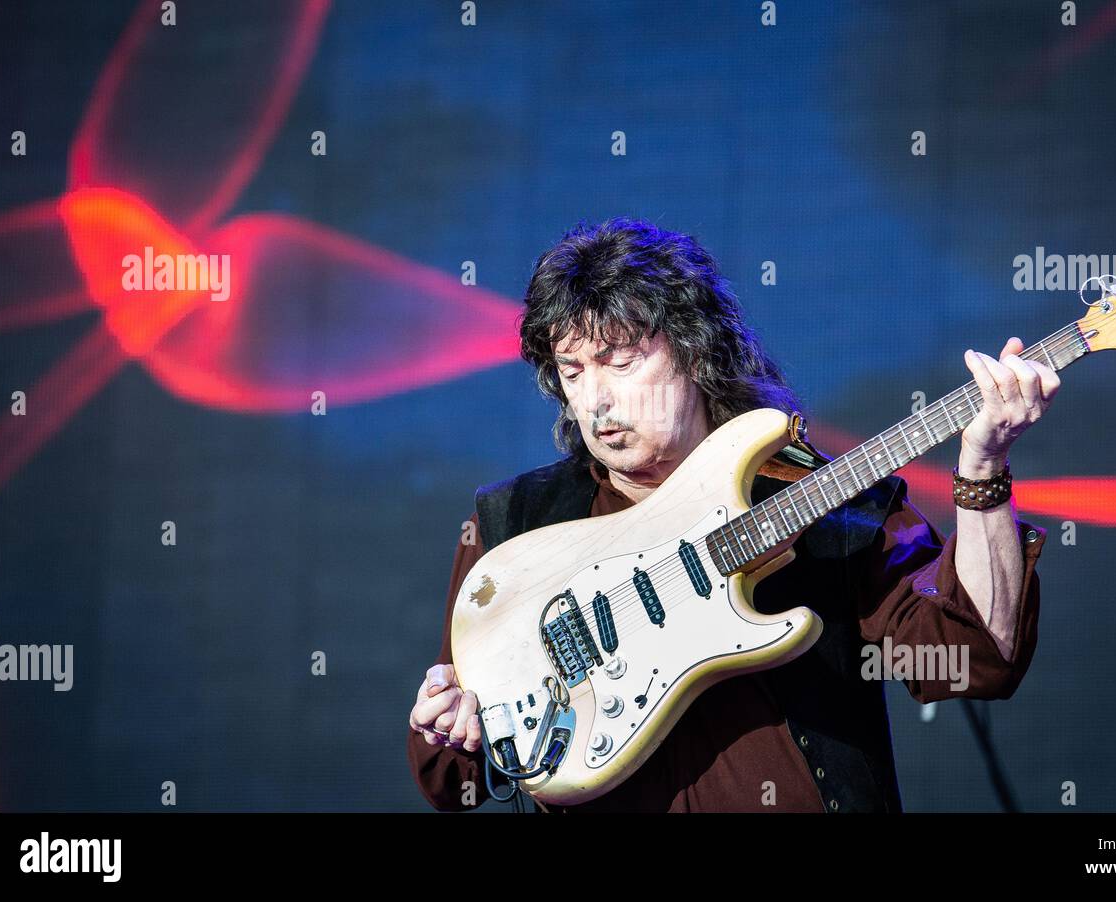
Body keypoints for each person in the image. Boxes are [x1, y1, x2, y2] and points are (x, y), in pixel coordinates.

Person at [407, 217, 1057, 812]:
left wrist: (983, 468)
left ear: (694, 350)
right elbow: (449, 779)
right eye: (572, 370)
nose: (595, 399)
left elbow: (977, 657)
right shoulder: (516, 523)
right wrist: (450, 723)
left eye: (621, 360)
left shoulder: (825, 502)